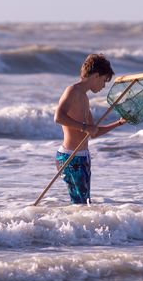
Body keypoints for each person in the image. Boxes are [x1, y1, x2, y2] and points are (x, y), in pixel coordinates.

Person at [53, 53, 127, 204]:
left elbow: (94, 132)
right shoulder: (72, 91)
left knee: (84, 203)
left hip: (82, 156)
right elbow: (58, 117)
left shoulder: (85, 98)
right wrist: (84, 127)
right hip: (70, 157)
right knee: (80, 204)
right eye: (104, 81)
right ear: (96, 76)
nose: (104, 86)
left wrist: (118, 123)